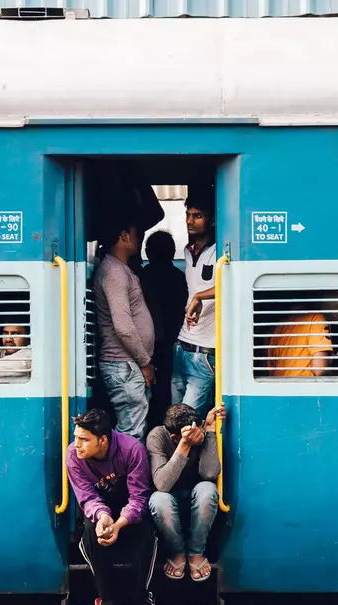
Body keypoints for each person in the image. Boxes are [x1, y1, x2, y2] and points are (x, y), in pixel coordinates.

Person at [65, 408, 156, 605]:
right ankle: (107, 600)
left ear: (103, 439)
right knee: (89, 530)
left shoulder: (132, 450)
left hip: (130, 511)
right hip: (100, 511)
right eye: (76, 438)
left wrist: (120, 523)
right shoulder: (73, 455)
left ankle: (142, 598)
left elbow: (138, 498)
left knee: (146, 531)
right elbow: (86, 496)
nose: (77, 445)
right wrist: (103, 517)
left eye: (84, 440)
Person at [92, 216, 156, 440]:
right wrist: (146, 363)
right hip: (123, 365)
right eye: (136, 234)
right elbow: (124, 328)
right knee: (132, 432)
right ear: (124, 236)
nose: (139, 239)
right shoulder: (114, 273)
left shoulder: (119, 270)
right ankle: (126, 476)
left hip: (126, 364)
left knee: (134, 426)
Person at [147, 403, 224, 583]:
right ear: (174, 436)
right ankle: (178, 552)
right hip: (171, 497)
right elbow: (162, 484)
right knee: (158, 499)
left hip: (198, 498)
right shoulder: (157, 436)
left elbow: (210, 473)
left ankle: (196, 552)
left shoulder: (201, 430)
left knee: (208, 489)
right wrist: (185, 444)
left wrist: (209, 431)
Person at [172, 198, 218, 414]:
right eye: (188, 215)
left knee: (184, 421)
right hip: (182, 347)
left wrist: (199, 297)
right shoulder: (188, 251)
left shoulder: (221, 252)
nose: (190, 221)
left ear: (213, 220)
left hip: (205, 352)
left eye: (197, 216)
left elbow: (234, 284)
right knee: (175, 418)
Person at [138, 232, 188, 425]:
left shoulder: (142, 276)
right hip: (176, 342)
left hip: (146, 345)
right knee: (171, 391)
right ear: (172, 252)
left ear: (148, 252)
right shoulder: (180, 278)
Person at [268, 312, 333, 377]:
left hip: (278, 385)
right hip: (305, 385)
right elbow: (320, 369)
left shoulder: (279, 327)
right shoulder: (316, 319)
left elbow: (271, 369)